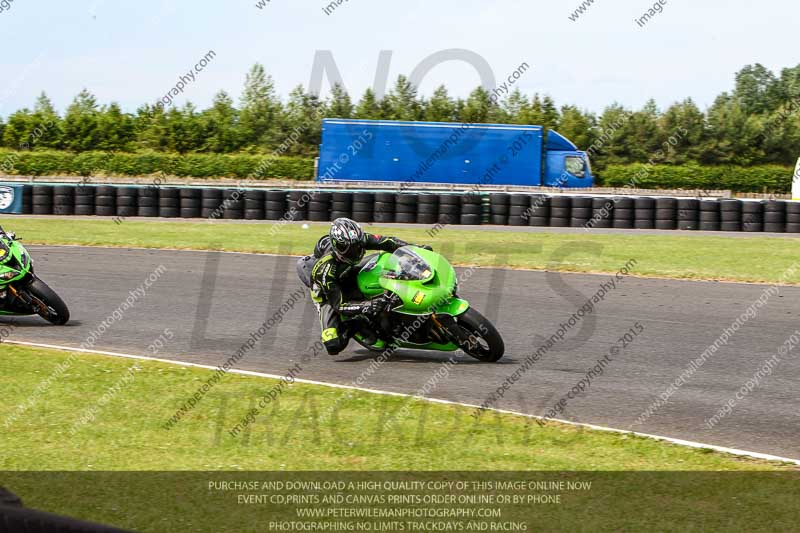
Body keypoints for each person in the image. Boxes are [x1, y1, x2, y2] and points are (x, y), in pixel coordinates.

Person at [308, 218, 428, 355]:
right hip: (329, 296)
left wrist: (417, 249)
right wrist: (367, 305)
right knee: (333, 344)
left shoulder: (360, 239)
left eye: (357, 247)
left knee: (387, 264)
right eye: (347, 249)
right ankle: (357, 323)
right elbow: (339, 305)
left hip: (350, 273)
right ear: (337, 247)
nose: (354, 251)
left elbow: (389, 242)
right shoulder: (325, 270)